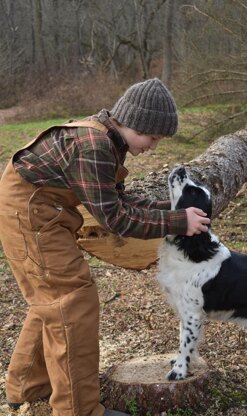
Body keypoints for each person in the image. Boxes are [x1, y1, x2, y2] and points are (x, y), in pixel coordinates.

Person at [0, 78, 210, 416]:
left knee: (52, 300)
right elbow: (116, 219)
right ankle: (78, 409)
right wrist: (178, 223)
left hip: (43, 211)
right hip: (29, 213)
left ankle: (28, 385)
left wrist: (169, 211)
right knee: (71, 301)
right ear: (136, 122)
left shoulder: (108, 140)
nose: (153, 146)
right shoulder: (94, 145)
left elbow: (120, 199)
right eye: (153, 137)